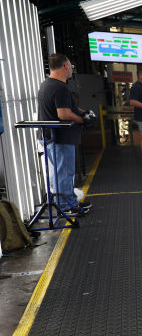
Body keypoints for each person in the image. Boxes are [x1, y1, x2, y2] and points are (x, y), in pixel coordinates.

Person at [37, 54, 92, 216]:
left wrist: (84, 112)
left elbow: (69, 108)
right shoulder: (60, 87)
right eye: (71, 66)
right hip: (60, 138)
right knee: (64, 173)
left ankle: (69, 201)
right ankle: (65, 206)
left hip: (51, 137)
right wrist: (83, 120)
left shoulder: (48, 84)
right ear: (65, 66)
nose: (72, 69)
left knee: (60, 172)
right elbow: (63, 114)